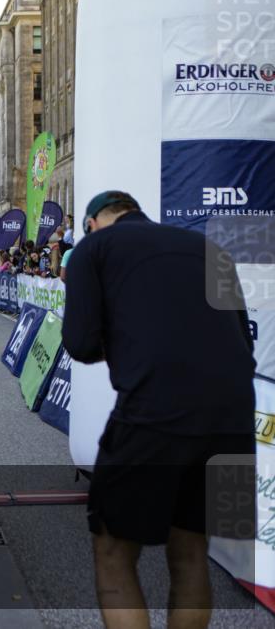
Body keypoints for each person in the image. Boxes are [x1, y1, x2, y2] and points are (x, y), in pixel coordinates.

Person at [62, 191, 255, 629]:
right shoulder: (208, 248)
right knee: (191, 551)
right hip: (234, 415)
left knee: (113, 550)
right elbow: (244, 341)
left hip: (156, 410)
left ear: (93, 223)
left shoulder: (93, 248)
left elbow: (80, 343)